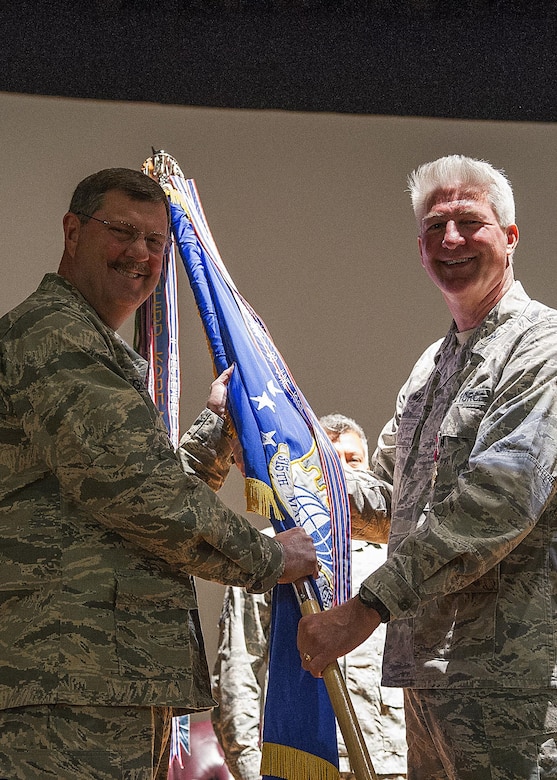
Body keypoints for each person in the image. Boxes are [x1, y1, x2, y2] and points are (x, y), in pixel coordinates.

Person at [0, 168, 317, 780]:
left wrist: (218, 426)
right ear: (72, 232)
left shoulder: (88, 345)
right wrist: (268, 557)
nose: (141, 254)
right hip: (67, 678)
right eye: (123, 231)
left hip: (92, 676)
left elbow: (135, 486)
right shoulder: (55, 336)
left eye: (156, 241)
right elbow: (136, 495)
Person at [297, 155, 557, 780]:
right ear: (419, 248)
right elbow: (390, 499)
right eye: (436, 226)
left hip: (515, 688)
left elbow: (497, 502)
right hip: (429, 682)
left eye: (470, 221)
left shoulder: (542, 347)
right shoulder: (427, 372)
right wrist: (296, 465)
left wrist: (367, 606)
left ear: (510, 236)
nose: (452, 239)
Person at [211, 414, 407, 780]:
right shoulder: (273, 554)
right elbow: (239, 665)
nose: (345, 476)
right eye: (333, 463)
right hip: (303, 758)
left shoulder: (394, 560)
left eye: (354, 462)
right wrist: (250, 768)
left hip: (389, 759)